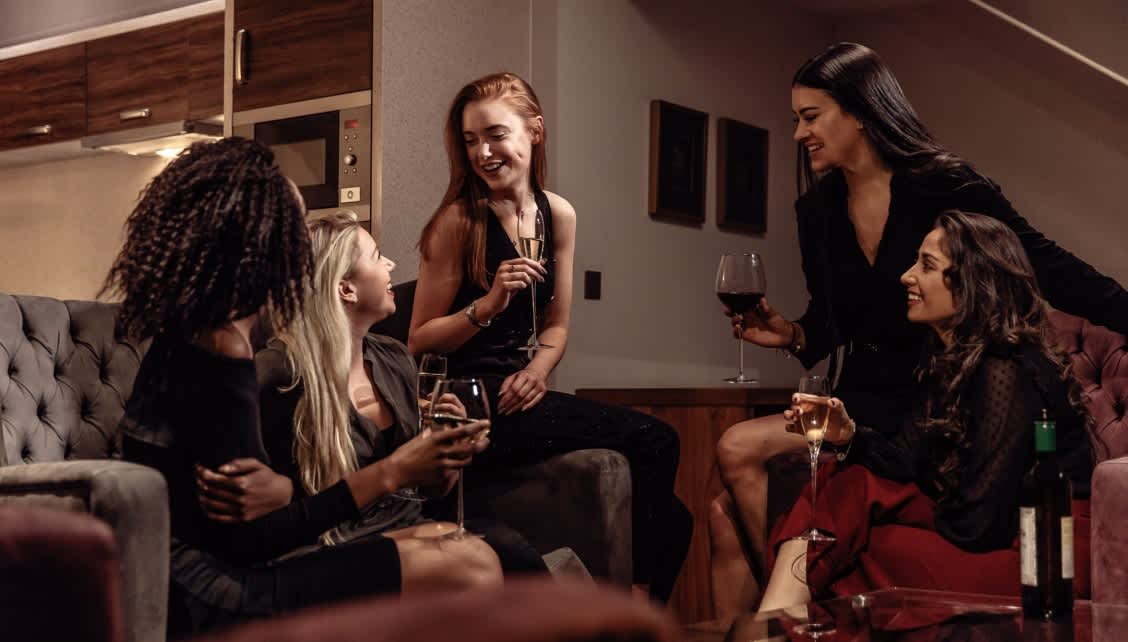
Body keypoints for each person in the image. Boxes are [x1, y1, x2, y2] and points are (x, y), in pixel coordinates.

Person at [710, 42, 1128, 615]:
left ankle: (794, 606)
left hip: (937, 392)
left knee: (808, 490)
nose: (798, 134)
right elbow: (832, 320)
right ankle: (792, 608)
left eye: (810, 117)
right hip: (863, 393)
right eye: (796, 120)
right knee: (734, 454)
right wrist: (792, 335)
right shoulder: (817, 209)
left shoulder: (945, 186)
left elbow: (1047, 266)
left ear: (858, 111)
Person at [107, 138, 501, 637]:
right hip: (215, 595)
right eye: (292, 224)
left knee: (447, 537)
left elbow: (243, 508)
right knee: (473, 565)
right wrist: (391, 471)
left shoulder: (206, 329)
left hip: (214, 571)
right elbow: (249, 544)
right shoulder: (223, 343)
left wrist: (289, 491)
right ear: (258, 237)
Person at [409, 71, 692, 603]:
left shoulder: (556, 213)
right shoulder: (457, 222)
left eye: (495, 134)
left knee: (676, 520)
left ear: (534, 131)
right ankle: (635, 613)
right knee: (660, 439)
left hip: (522, 390)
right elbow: (419, 340)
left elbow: (557, 327)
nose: (483, 152)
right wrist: (486, 306)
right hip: (469, 399)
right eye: (470, 140)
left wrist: (537, 373)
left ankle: (633, 622)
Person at [758, 210, 1093, 610]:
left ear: (972, 282)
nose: (906, 276)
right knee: (848, 490)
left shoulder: (1006, 366)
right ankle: (777, 622)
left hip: (1042, 554)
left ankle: (774, 623)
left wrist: (891, 510)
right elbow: (903, 460)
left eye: (927, 265)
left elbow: (979, 522)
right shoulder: (947, 355)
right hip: (993, 532)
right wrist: (846, 435)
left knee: (858, 534)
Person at [195, 211, 547, 577]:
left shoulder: (393, 358)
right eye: (378, 256)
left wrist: (445, 452)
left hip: (404, 525)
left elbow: (431, 491)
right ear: (345, 288)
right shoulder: (280, 372)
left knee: (509, 547)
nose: (392, 264)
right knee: (491, 557)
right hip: (331, 546)